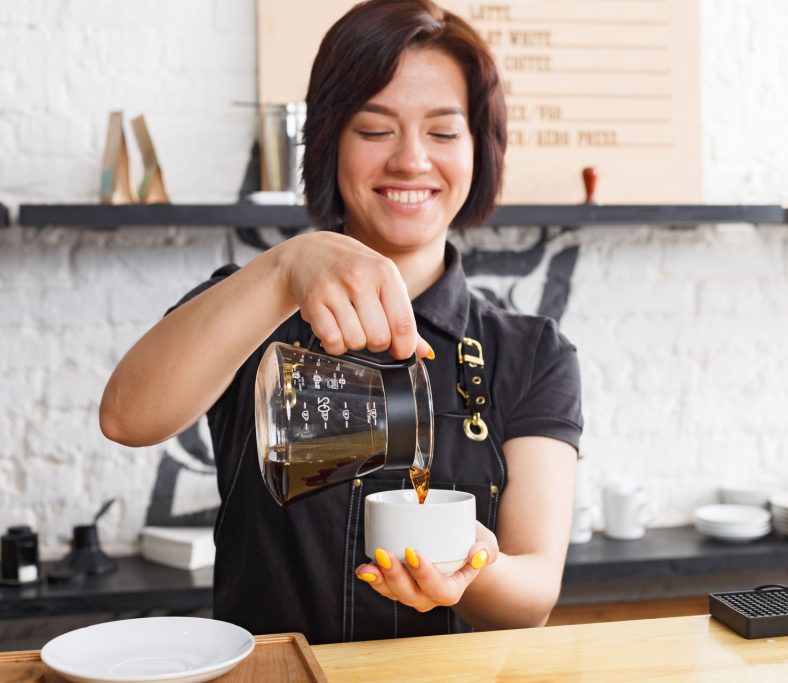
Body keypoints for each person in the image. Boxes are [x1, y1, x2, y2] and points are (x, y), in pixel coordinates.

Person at [99, 0, 583, 644]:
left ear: (480, 151)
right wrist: (282, 270)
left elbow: (533, 596)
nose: (411, 161)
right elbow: (127, 419)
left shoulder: (529, 352)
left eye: (442, 132)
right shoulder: (253, 309)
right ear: (330, 141)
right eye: (375, 129)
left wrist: (473, 569)